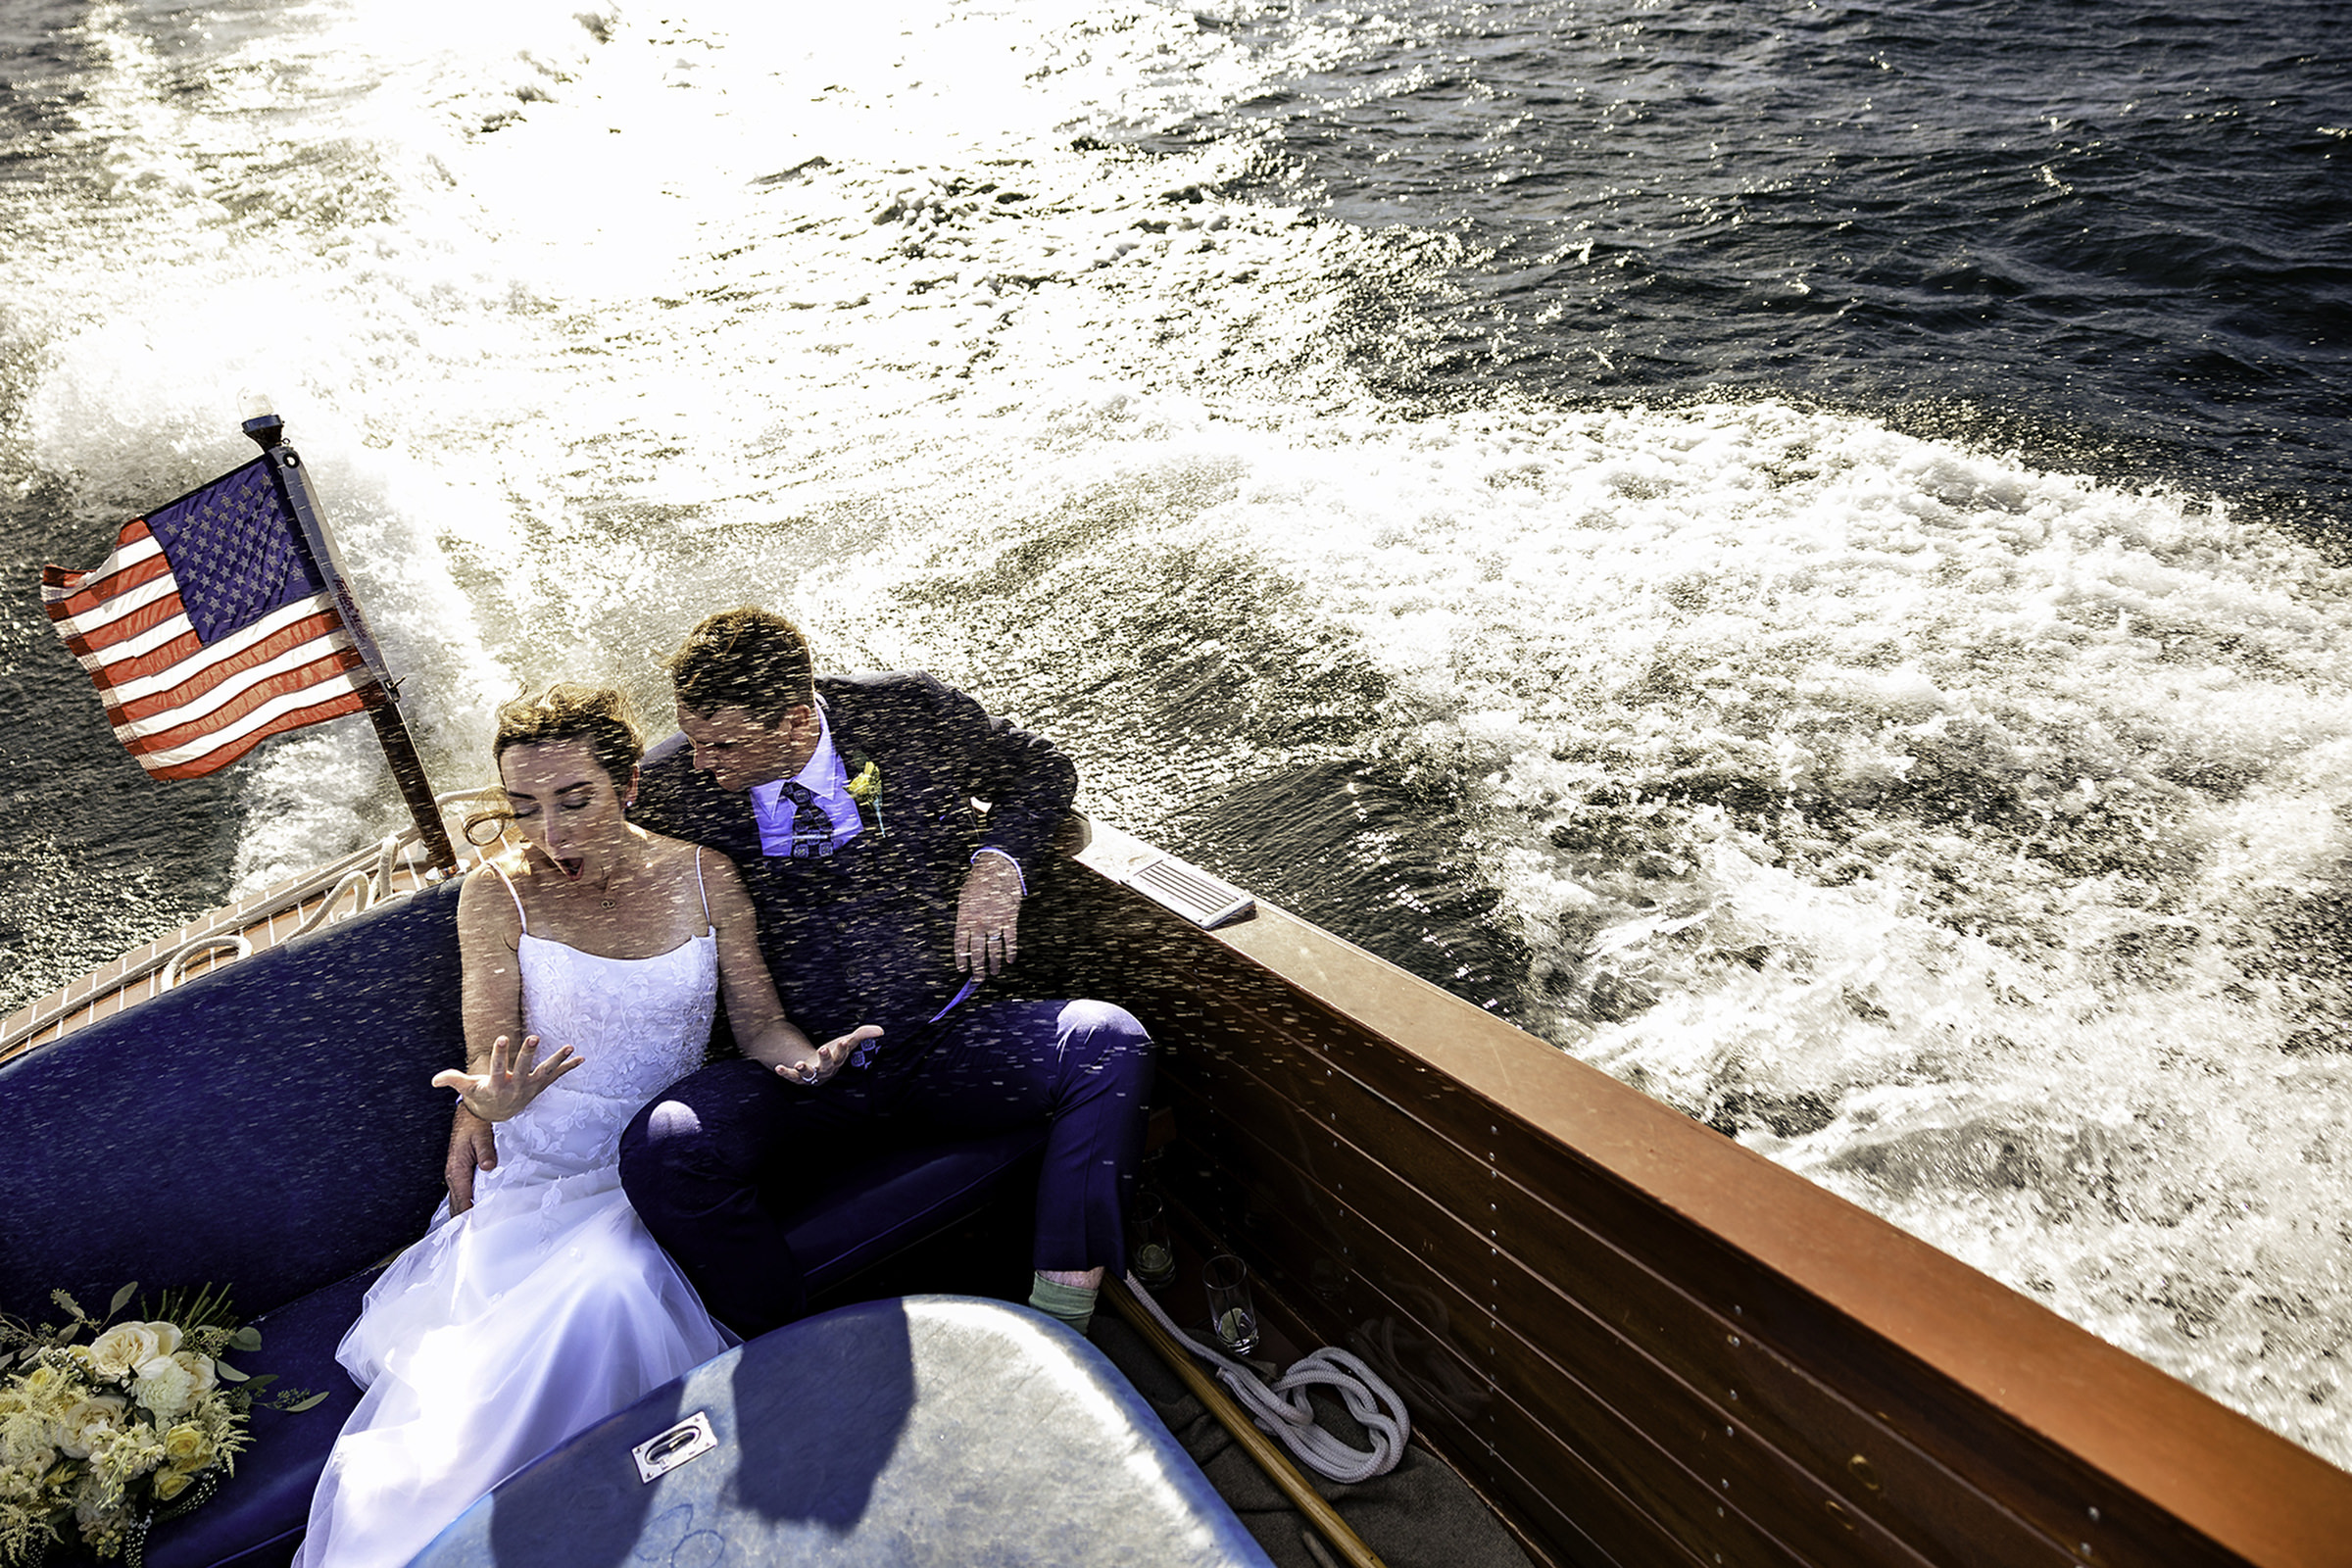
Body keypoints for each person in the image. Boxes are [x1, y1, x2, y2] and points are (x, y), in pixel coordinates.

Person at [448, 608, 1153, 1341]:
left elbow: (1042, 772)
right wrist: (480, 1102)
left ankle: (1066, 1314)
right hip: (786, 1077)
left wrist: (998, 864)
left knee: (1107, 1041)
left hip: (939, 1041)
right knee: (665, 1148)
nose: (699, 763)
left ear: (793, 721)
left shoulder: (908, 713)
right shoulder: (669, 783)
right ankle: (792, 1343)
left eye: (721, 744)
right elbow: (554, 839)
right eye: (692, 739)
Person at [296, 686, 876, 1568]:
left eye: (576, 801)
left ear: (630, 786)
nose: (550, 833)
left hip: (661, 1164)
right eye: (523, 809)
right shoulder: (495, 897)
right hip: (541, 1173)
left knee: (611, 1282)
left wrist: (803, 1066)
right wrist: (489, 1102)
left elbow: (759, 1025)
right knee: (599, 1294)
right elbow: (490, 1058)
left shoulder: (703, 874)